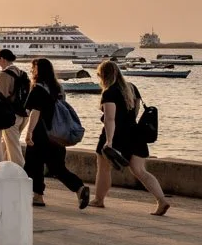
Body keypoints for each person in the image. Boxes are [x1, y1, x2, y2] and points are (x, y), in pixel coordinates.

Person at [93, 58, 169, 215]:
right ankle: (161, 200)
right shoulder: (132, 88)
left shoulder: (109, 92)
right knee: (140, 171)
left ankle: (99, 200)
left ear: (104, 76)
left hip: (117, 135)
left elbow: (110, 119)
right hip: (135, 133)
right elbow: (134, 113)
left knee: (104, 168)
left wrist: (109, 141)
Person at [19, 57, 91, 210]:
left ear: (38, 71)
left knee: (33, 165)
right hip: (57, 134)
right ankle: (79, 188)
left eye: (33, 68)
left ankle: (38, 196)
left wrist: (28, 133)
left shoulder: (38, 89)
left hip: (41, 134)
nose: (31, 70)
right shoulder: (58, 88)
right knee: (57, 168)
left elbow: (35, 112)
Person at [0, 48, 28, 166]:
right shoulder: (21, 73)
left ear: (2, 59)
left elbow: (1, 98)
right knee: (7, 143)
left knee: (13, 147)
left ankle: (22, 173)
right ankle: (3, 168)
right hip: (24, 114)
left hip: (11, 116)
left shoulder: (3, 74)